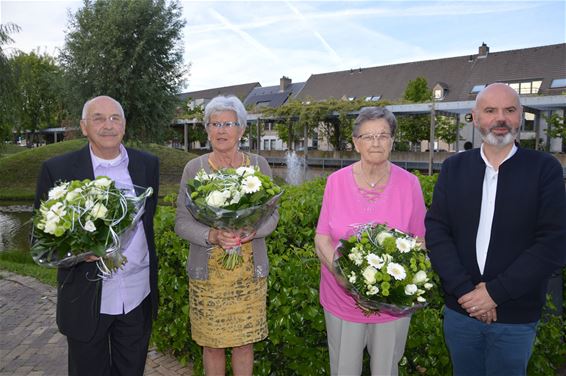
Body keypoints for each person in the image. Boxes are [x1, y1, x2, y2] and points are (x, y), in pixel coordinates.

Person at [425, 83, 566, 375]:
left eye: (510, 110)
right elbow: (437, 232)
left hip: (516, 316)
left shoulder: (545, 169)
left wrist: (494, 294)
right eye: (490, 110)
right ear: (476, 119)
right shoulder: (453, 168)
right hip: (460, 312)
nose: (500, 118)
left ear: (521, 116)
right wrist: (468, 294)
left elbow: (553, 242)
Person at [34, 96, 160, 376]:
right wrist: (81, 250)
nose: (108, 125)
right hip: (86, 299)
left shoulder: (148, 165)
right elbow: (43, 245)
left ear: (124, 126)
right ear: (83, 126)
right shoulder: (58, 170)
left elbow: (146, 225)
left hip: (137, 295)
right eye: (99, 118)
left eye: (115, 118)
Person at [314, 107, 426, 375]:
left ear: (392, 141)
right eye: (368, 136)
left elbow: (420, 240)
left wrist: (392, 287)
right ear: (356, 143)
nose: (376, 142)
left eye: (383, 135)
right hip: (341, 298)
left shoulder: (410, 184)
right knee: (344, 369)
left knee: (386, 369)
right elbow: (322, 239)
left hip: (391, 302)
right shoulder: (335, 182)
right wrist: (345, 279)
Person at [174, 95, 279, 375]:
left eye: (228, 123)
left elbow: (273, 215)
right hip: (208, 277)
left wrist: (253, 229)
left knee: (245, 344)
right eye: (214, 123)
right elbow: (182, 222)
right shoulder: (194, 169)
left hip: (248, 274)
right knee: (212, 346)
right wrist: (212, 235)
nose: (221, 130)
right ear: (206, 129)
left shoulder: (259, 165)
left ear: (242, 129)